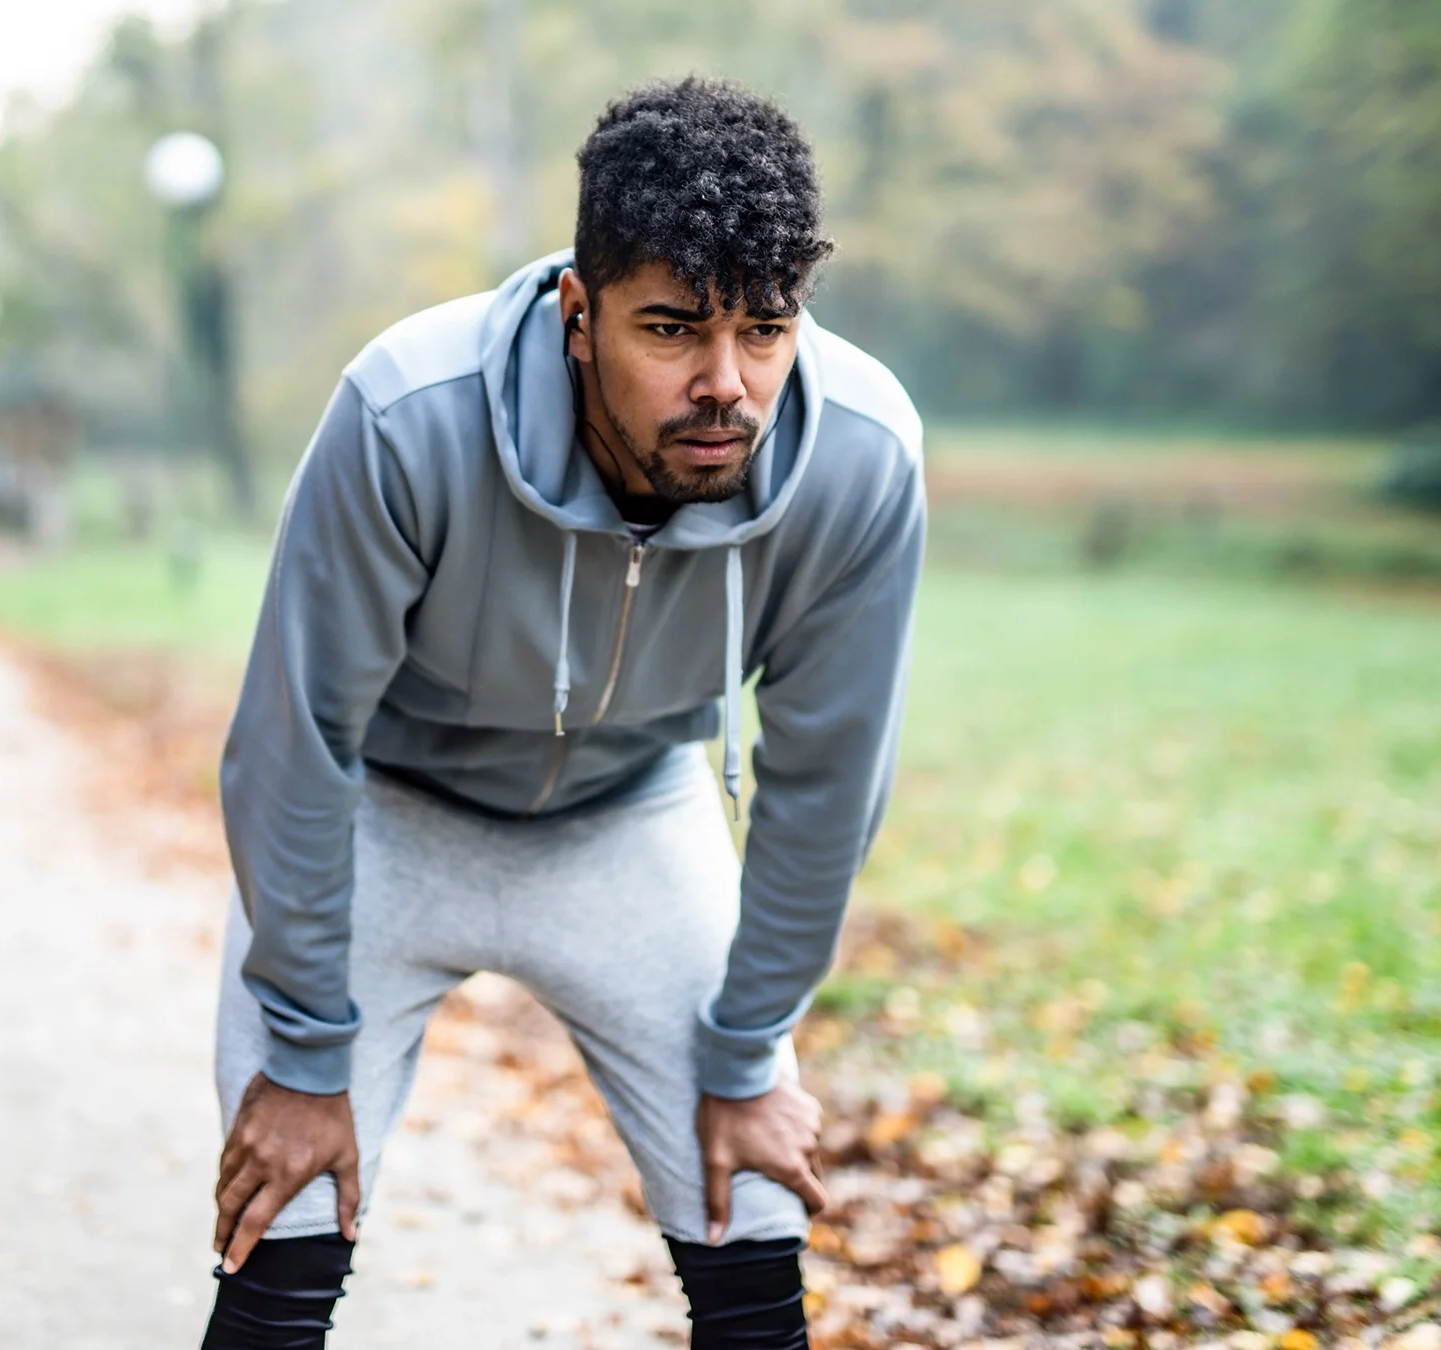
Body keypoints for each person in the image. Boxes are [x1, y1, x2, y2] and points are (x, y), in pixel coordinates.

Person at [206, 77, 926, 1349]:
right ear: (578, 316)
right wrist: (307, 1057)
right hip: (387, 815)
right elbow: (296, 740)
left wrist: (749, 1053)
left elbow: (828, 783)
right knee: (288, 1213)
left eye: (766, 329)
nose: (727, 384)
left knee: (754, 1209)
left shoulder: (859, 457)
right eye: (673, 330)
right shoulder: (408, 412)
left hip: (629, 816)